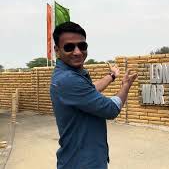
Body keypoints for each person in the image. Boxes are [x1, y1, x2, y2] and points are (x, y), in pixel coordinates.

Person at [50, 21, 137, 169]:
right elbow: (111, 109)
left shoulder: (70, 75)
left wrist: (112, 76)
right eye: (69, 47)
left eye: (82, 46)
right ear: (57, 50)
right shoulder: (69, 80)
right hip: (83, 162)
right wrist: (125, 86)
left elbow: (90, 90)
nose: (77, 52)